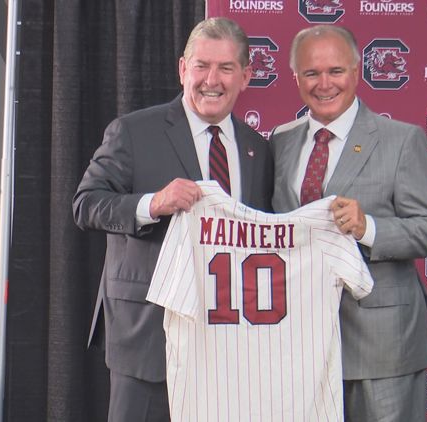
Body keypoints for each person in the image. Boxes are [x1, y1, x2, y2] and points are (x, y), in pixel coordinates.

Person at [72, 17, 273, 422]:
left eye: (226, 68)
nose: (211, 79)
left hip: (229, 339)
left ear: (246, 76)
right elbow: (86, 204)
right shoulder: (132, 131)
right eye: (201, 66)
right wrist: (153, 203)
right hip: (147, 335)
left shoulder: (258, 149)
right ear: (183, 69)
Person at [270, 25, 427, 422]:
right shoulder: (280, 141)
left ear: (356, 71)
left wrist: (368, 227)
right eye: (311, 73)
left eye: (335, 71)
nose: (324, 84)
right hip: (300, 339)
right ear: (295, 78)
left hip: (382, 344)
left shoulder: (401, 140)